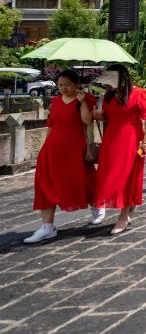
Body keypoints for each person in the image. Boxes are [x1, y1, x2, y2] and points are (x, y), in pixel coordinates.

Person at [24, 69, 101, 243]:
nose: (63, 88)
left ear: (76, 85)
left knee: (81, 180)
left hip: (75, 149)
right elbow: (51, 125)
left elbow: (87, 121)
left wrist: (82, 102)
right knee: (45, 185)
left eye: (67, 85)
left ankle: (96, 205)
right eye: (60, 85)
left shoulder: (86, 99)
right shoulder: (56, 101)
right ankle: (47, 227)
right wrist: (45, 147)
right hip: (52, 150)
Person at [92, 64, 146, 235]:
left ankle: (123, 216)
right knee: (111, 176)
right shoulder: (109, 95)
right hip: (111, 140)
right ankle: (129, 207)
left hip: (132, 139)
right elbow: (106, 116)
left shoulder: (139, 93)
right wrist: (97, 114)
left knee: (127, 177)